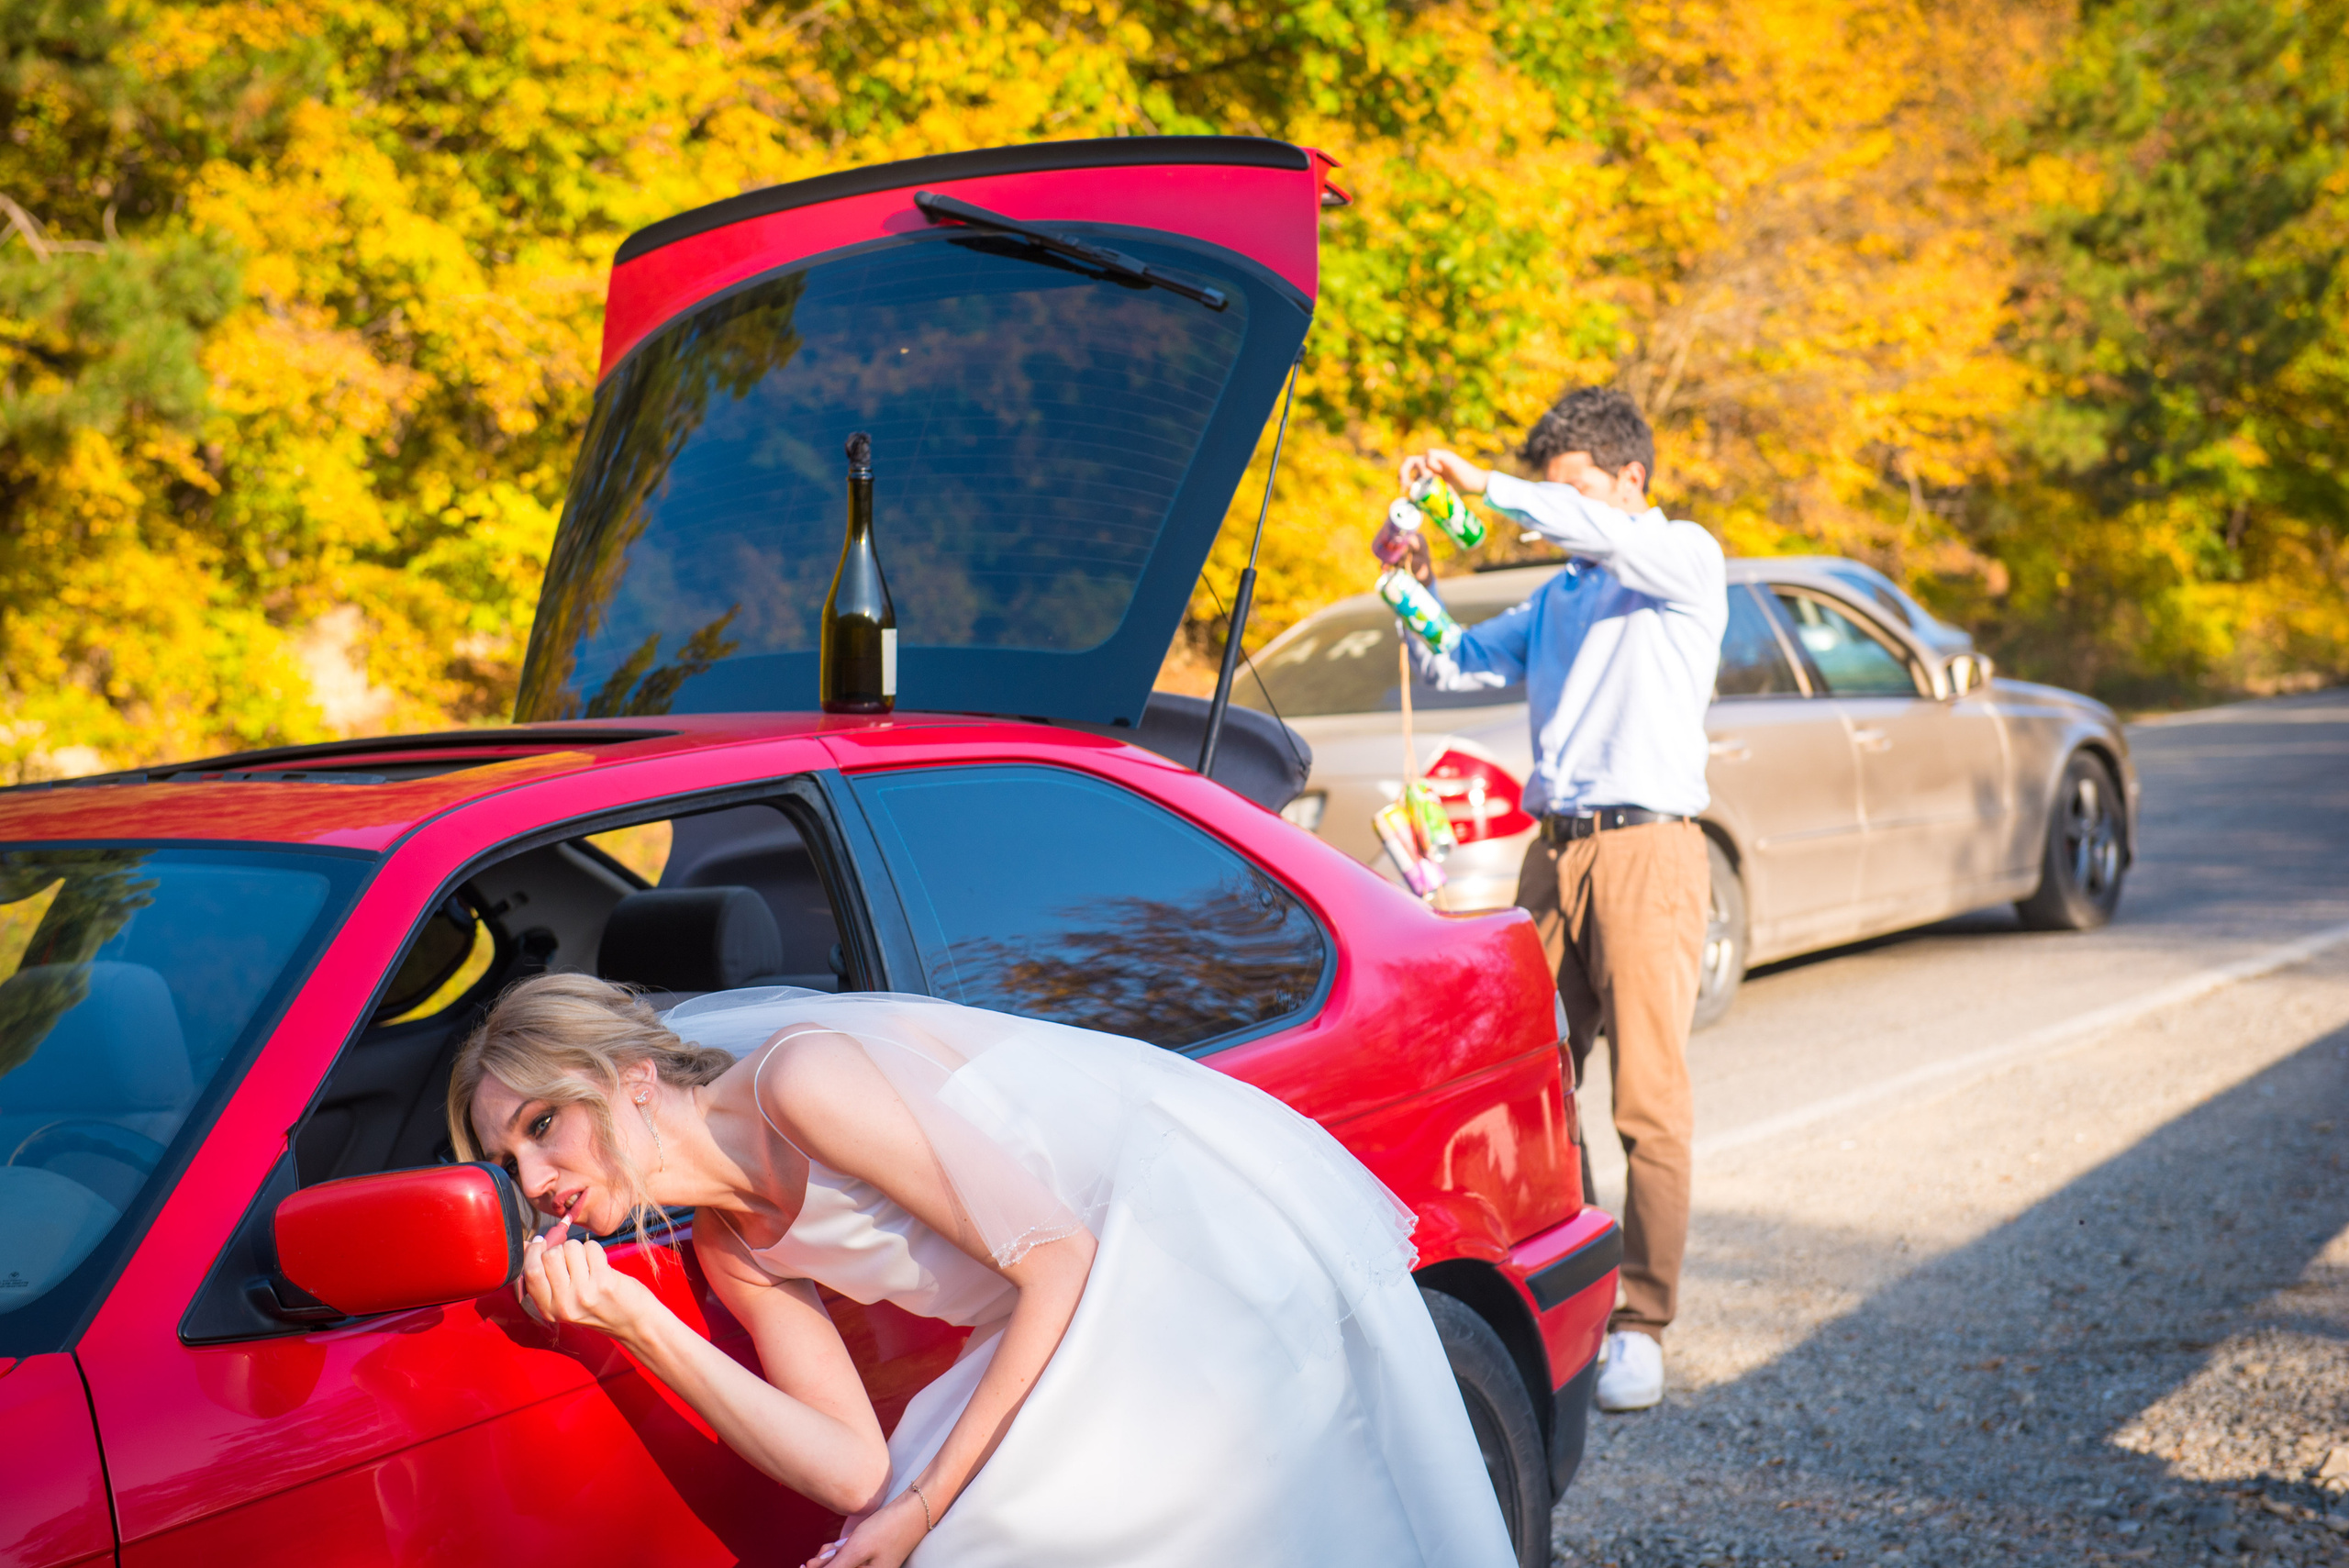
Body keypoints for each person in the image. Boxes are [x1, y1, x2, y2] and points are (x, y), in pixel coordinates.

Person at [446, 973, 1517, 1568]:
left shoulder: (799, 1081)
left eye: (546, 1123)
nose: (535, 1175)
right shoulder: (731, 1245)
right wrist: (638, 1322)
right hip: (1059, 1306)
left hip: (1166, 1259)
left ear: (634, 1078)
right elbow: (852, 1471)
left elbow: (1059, 1255)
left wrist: (915, 1514)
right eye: (507, 1158)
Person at [1394, 386, 1726, 1413]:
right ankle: (1574, 1286)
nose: (1556, 511)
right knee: (1532, 1072)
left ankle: (1642, 1318)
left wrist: (1481, 486)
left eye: (1575, 489)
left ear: (1631, 482)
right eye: (1550, 493)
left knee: (1647, 1098)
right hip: (1557, 852)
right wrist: (1407, 585)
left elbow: (1575, 526)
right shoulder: (1556, 599)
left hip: (1648, 851)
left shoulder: (1681, 559)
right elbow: (1449, 667)